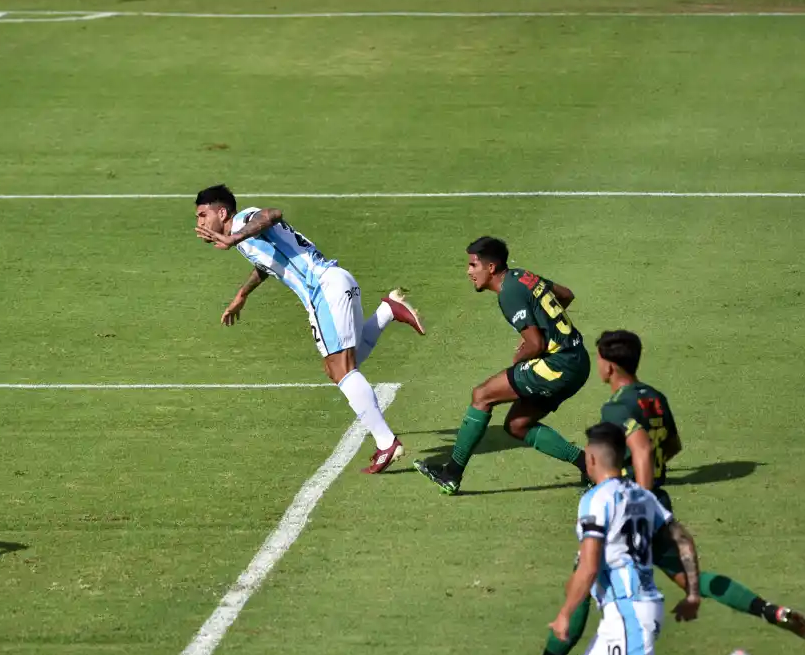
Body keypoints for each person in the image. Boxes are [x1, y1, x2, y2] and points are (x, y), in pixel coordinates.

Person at [497, 330, 805, 655]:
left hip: (631, 506)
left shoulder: (617, 407)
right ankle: (770, 610)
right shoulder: (654, 398)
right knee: (686, 577)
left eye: (599, 359)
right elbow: (672, 445)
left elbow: (643, 450)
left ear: (609, 365)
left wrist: (636, 498)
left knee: (585, 574)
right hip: (658, 499)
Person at [515, 422, 775, 655]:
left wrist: (566, 613)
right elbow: (682, 538)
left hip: (628, 614)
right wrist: (692, 592)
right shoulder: (641, 494)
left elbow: (588, 566)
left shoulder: (595, 500)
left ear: (591, 458)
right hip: (630, 610)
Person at [193, 185, 424, 473]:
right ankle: (388, 310)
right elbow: (266, 264)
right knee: (341, 368)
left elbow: (272, 214)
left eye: (203, 215)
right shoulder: (245, 237)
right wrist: (242, 295)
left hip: (323, 290)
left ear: (222, 212)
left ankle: (387, 443)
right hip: (337, 282)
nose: (200, 224)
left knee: (341, 370)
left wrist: (234, 237)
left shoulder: (243, 222)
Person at [413, 237, 588, 495]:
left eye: (473, 265)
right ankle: (590, 465)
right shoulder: (522, 276)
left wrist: (519, 359)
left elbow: (536, 344)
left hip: (557, 365)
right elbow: (566, 295)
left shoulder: (509, 293)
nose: (469, 272)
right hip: (577, 360)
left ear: (491, 267)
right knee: (518, 425)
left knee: (482, 395)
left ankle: (451, 473)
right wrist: (541, 328)